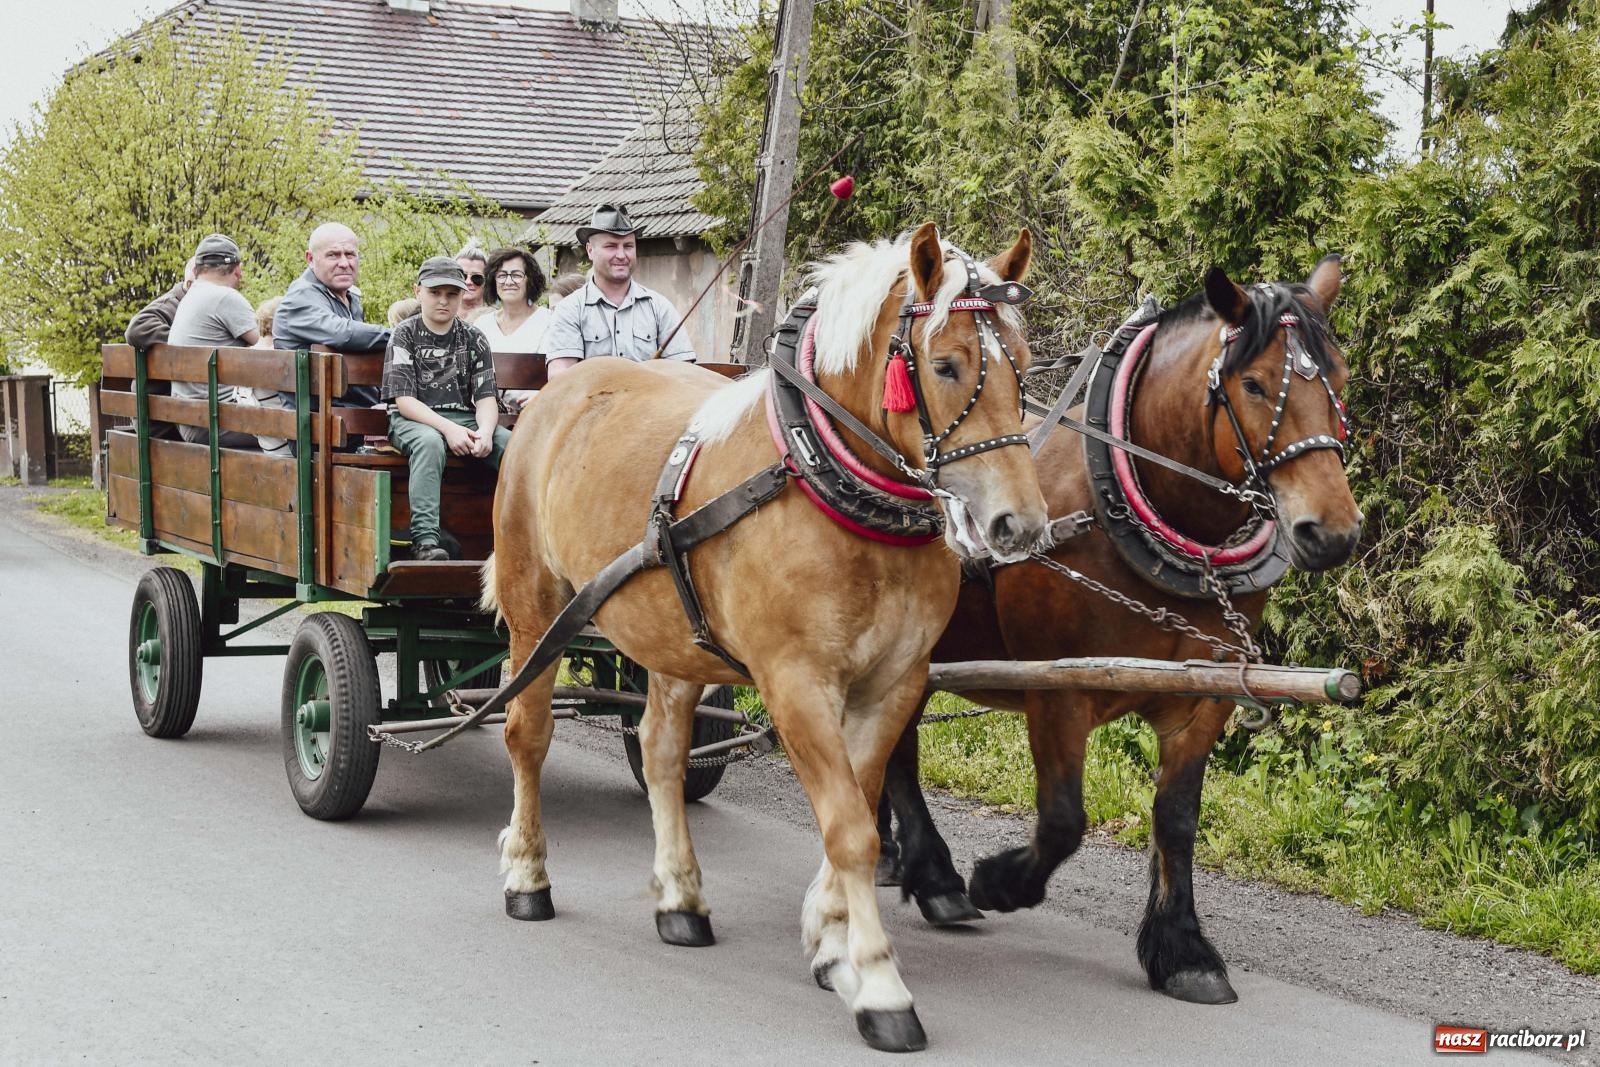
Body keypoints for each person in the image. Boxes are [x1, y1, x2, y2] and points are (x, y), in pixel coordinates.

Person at [382, 256, 510, 562]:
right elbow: (404, 401)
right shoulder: (405, 334)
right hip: (414, 418)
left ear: (462, 295)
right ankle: (425, 540)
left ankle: (520, 534)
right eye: (435, 293)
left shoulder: (474, 337)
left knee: (513, 446)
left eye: (451, 294)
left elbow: (485, 398)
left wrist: (487, 432)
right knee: (429, 443)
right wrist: (448, 429)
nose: (443, 301)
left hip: (464, 417)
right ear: (418, 292)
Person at [540, 204, 695, 378]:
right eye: (611, 246)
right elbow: (560, 378)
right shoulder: (570, 310)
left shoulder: (660, 308)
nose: (621, 255)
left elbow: (684, 375)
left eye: (628, 246)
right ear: (590, 251)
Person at [272, 222, 389, 407]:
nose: (344, 263)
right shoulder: (300, 298)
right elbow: (342, 333)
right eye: (333, 255)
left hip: (352, 414)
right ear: (310, 259)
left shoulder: (350, 298)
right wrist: (402, 335)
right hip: (320, 423)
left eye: (350, 254)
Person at [166, 234, 261, 448]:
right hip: (220, 420)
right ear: (238, 269)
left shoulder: (190, 296)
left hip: (190, 419)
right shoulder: (225, 297)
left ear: (197, 268)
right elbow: (270, 348)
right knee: (306, 427)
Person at [123, 256, 197, 440]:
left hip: (172, 413)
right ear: (190, 282)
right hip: (162, 421)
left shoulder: (192, 308)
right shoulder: (171, 304)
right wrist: (185, 343)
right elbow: (136, 329)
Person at [476, 247, 550, 409]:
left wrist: (544, 395)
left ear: (530, 280)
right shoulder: (481, 325)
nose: (508, 282)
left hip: (535, 411)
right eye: (502, 275)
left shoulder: (549, 322)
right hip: (486, 413)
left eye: (516, 275)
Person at [456, 242, 488, 317]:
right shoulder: (440, 316)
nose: (468, 282)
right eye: (462, 276)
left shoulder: (496, 320)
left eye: (477, 277)